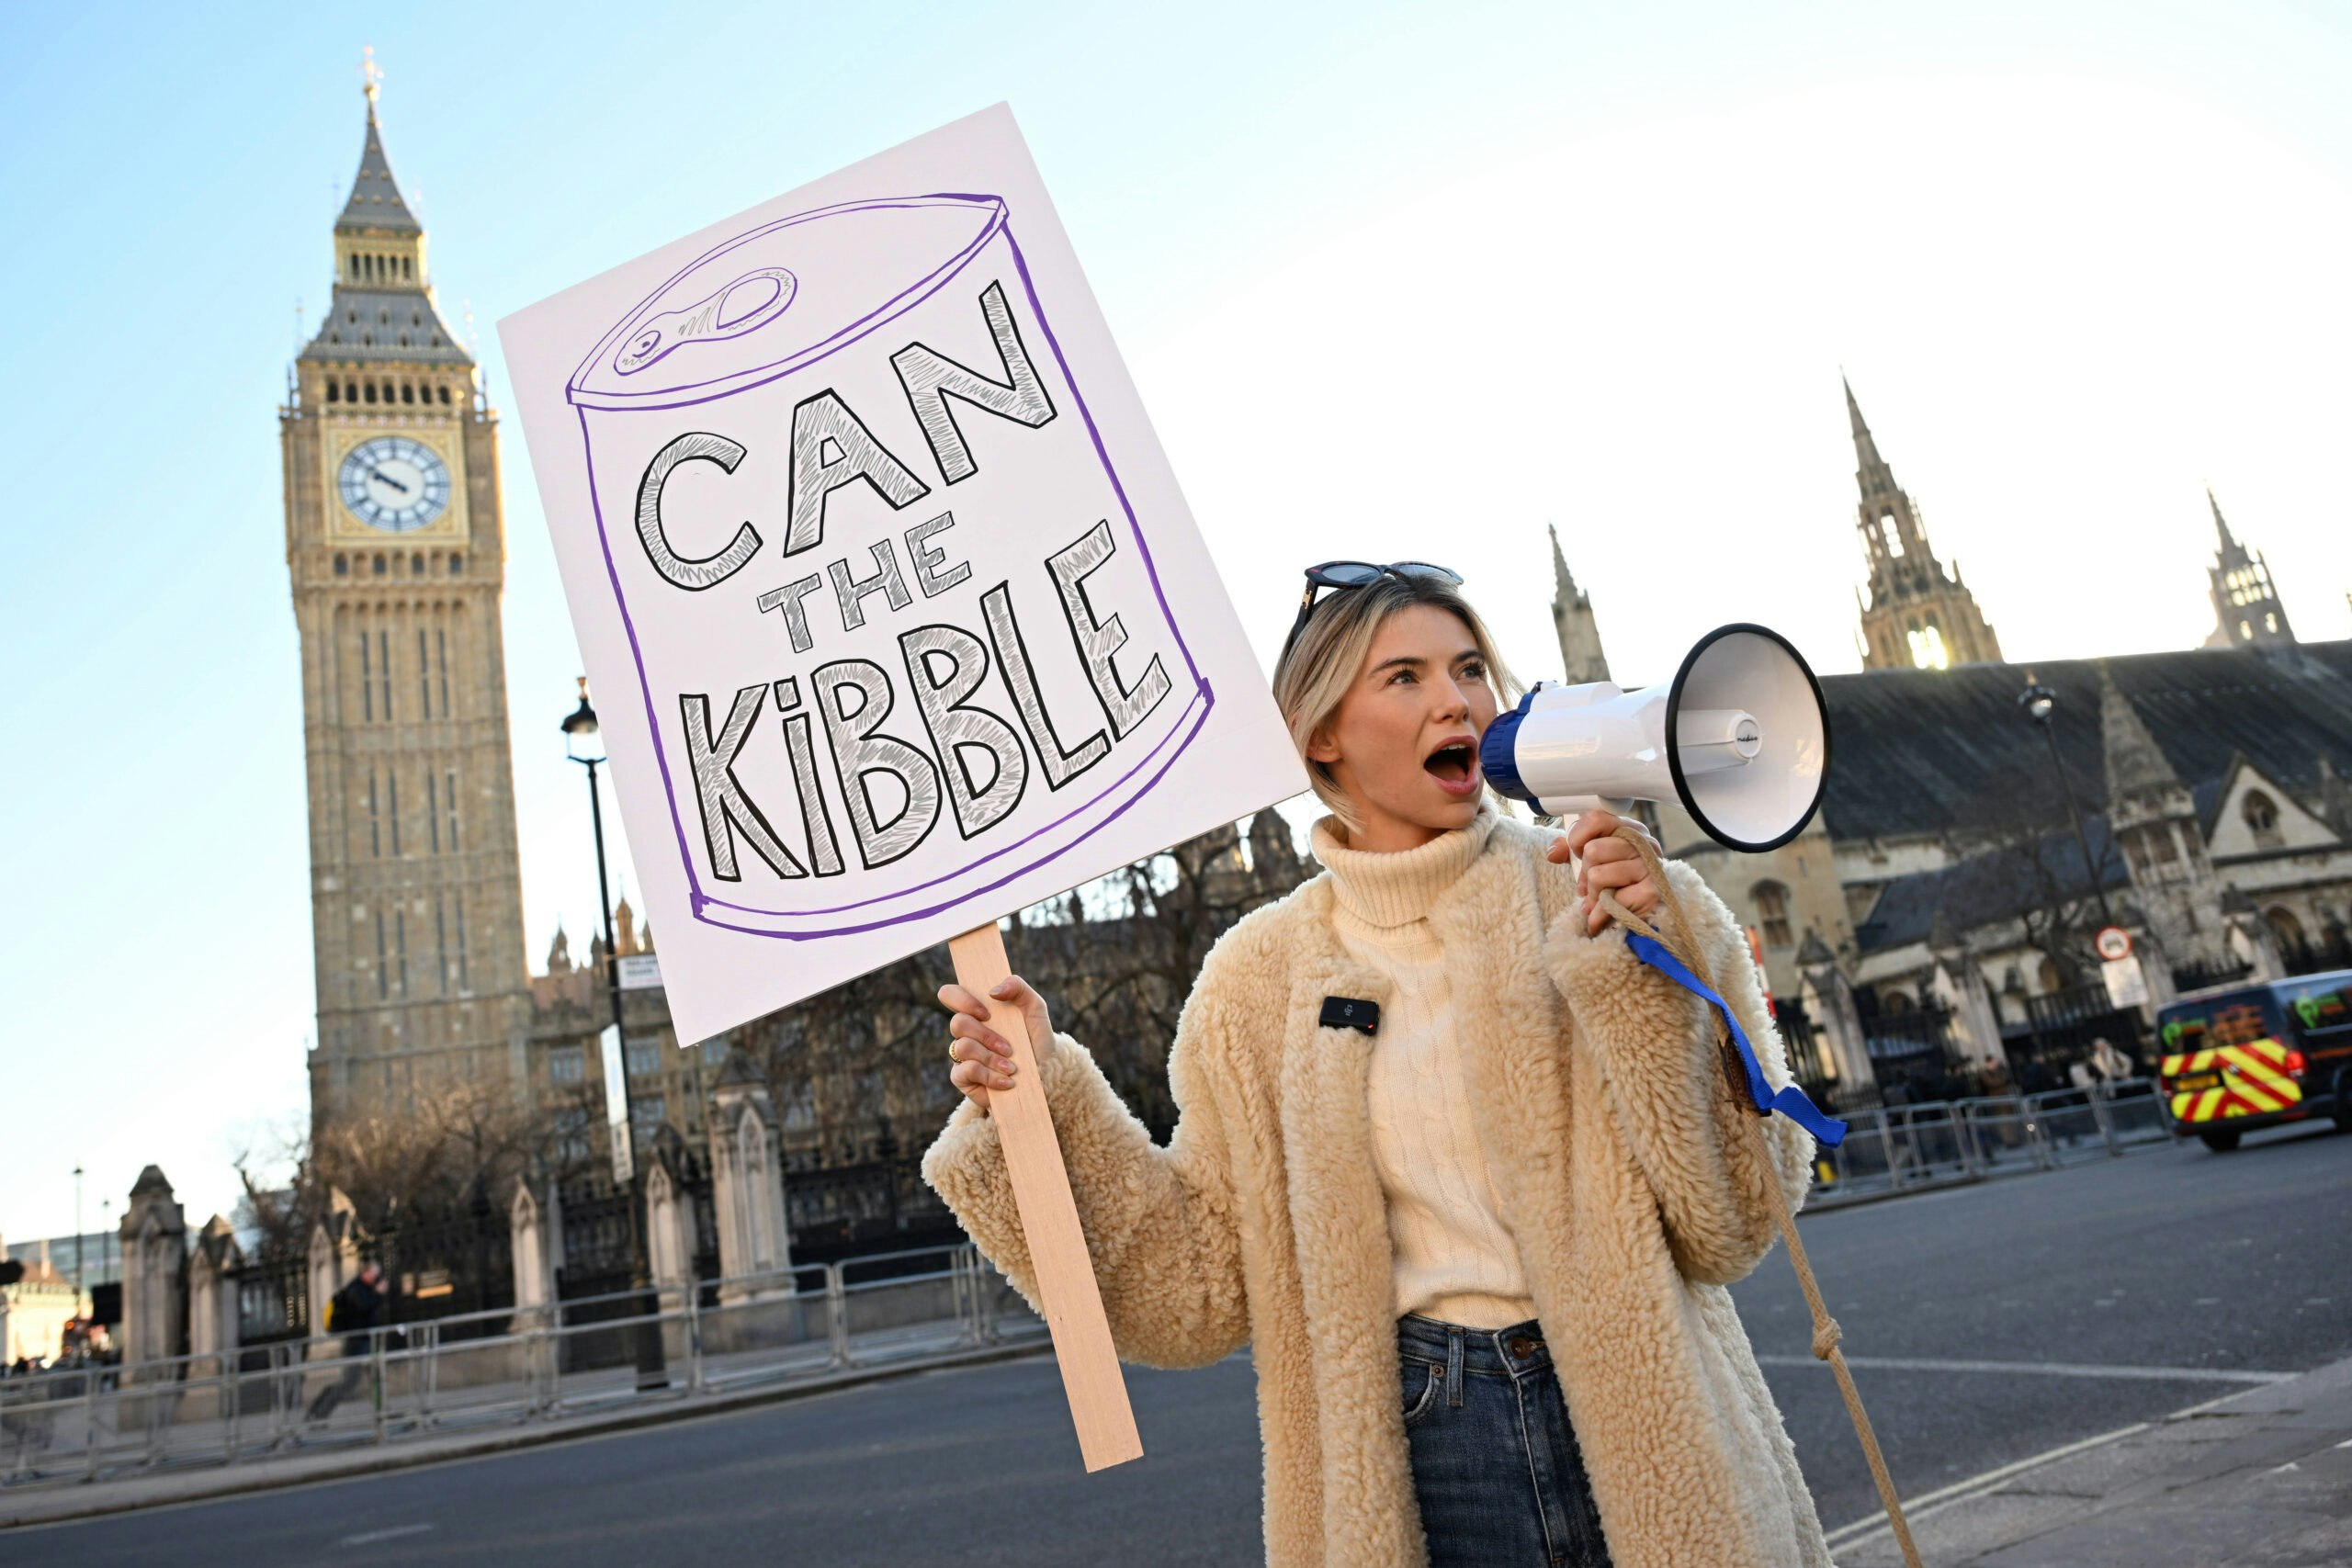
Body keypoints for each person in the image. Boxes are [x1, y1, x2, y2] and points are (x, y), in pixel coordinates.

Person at [922, 563, 1829, 1567]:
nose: (1456, 699)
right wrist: (1040, 1103)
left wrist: (1648, 969)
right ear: (1320, 734)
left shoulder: (1615, 894)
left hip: (1649, 1416)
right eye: (1403, 676)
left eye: (1470, 666)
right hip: (1422, 1446)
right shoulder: (1255, 981)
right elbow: (1195, 1291)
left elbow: (1737, 1219)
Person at [305, 1260, 385, 1422]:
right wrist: (378, 1293)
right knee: (349, 1383)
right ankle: (318, 1411)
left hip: (366, 1342)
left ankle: (381, 1414)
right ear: (367, 1273)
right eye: (375, 1274)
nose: (377, 1278)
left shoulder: (364, 1289)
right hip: (356, 1344)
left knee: (376, 1378)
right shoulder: (356, 1289)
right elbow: (364, 1308)